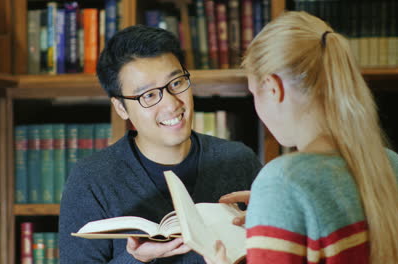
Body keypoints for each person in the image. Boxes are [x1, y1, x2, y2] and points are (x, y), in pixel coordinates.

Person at [207, 11, 398, 264]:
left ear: (273, 87)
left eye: (254, 93)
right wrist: (276, 209)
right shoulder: (392, 165)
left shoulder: (282, 180)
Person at [58, 25, 262, 264]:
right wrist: (136, 259)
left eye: (176, 83)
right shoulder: (91, 179)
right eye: (149, 95)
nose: (171, 104)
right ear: (121, 108)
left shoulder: (238, 160)